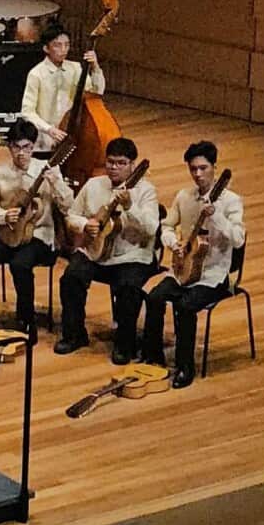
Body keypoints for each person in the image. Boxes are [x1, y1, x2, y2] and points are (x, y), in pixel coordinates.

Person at [142, 141, 244, 389]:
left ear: (214, 168)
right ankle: (153, 357)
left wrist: (216, 215)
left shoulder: (231, 202)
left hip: (214, 276)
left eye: (203, 168)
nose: (198, 174)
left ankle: (185, 367)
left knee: (185, 307)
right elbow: (166, 226)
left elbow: (238, 238)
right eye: (193, 169)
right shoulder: (184, 196)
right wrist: (172, 243)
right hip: (183, 269)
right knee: (154, 297)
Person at [56, 138, 159, 364]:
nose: (114, 167)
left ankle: (125, 344)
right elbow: (71, 216)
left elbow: (152, 229)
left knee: (128, 288)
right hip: (95, 252)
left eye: (121, 163)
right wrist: (85, 225)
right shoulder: (94, 185)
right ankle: (74, 334)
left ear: (133, 164)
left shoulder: (146, 192)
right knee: (70, 278)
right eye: (110, 162)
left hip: (131, 256)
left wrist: (130, 207)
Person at [0, 119, 73, 345]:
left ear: (34, 147)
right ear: (9, 147)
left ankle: (26, 321)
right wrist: (2, 216)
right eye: (16, 147)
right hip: (7, 233)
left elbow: (69, 206)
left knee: (20, 265)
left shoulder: (48, 170)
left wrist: (56, 184)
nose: (22, 153)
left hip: (39, 235)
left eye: (27, 147)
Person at [20, 24, 105, 153]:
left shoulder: (75, 68)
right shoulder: (36, 74)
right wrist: (49, 129)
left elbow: (96, 93)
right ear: (46, 48)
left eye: (67, 45)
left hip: (73, 133)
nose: (63, 50)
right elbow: (27, 112)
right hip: (45, 137)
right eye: (57, 45)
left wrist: (95, 67)